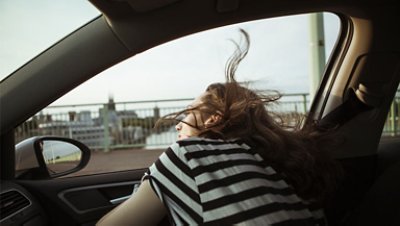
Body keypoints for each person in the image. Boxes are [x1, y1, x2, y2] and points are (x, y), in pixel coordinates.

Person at [97, 29, 340, 225]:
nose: (177, 126)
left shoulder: (191, 155)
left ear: (212, 119)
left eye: (188, 113)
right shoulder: (287, 169)